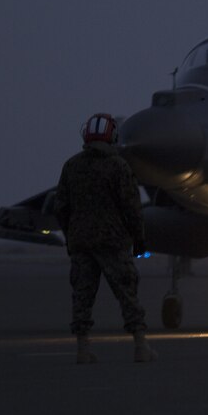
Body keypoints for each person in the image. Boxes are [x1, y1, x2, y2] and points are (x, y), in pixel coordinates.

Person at [55, 113, 156, 363]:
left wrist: (70, 237)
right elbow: (132, 207)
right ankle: (140, 347)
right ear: (112, 136)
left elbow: (60, 207)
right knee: (127, 294)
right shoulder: (118, 167)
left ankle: (82, 349)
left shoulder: (71, 166)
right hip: (113, 243)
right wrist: (139, 240)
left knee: (82, 297)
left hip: (80, 243)